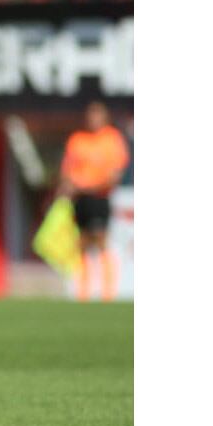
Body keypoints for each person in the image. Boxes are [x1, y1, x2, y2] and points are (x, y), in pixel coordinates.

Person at [58, 101, 129, 302]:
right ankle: (82, 293)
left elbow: (115, 173)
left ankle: (108, 294)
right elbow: (67, 170)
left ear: (104, 118)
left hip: (99, 196)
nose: (93, 119)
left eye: (97, 115)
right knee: (81, 243)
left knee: (100, 241)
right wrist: (69, 186)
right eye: (90, 115)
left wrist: (92, 186)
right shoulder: (77, 140)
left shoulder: (111, 139)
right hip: (80, 198)